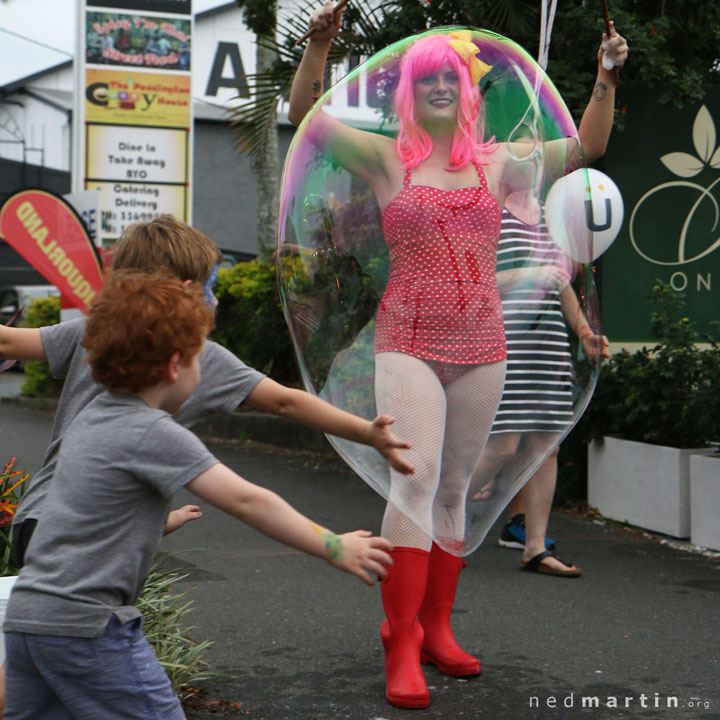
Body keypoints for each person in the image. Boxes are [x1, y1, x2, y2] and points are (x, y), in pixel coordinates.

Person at [0, 214, 413, 715]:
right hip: (89, 623)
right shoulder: (153, 432)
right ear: (176, 363)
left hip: (27, 619)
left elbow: (88, 497)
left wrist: (154, 521)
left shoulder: (89, 419)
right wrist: (333, 545)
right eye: (198, 356)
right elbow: (246, 499)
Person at [288, 5, 572, 708]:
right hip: (409, 338)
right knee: (414, 483)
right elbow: (307, 116)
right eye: (428, 78)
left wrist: (602, 81)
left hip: (483, 342)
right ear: (410, 92)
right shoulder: (388, 158)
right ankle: (402, 638)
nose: (441, 85)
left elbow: (586, 146)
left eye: (452, 76)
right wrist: (318, 50)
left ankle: (438, 630)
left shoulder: (498, 160)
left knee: (455, 488)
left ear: (467, 90)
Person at [470, 24, 627, 577]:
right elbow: (474, 283)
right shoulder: (480, 204)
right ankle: (441, 520)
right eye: (519, 139)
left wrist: (583, 331)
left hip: (545, 349)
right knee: (502, 444)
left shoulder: (545, 213)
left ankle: (535, 546)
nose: (530, 148)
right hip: (497, 345)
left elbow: (559, 281)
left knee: (542, 445)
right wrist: (531, 274)